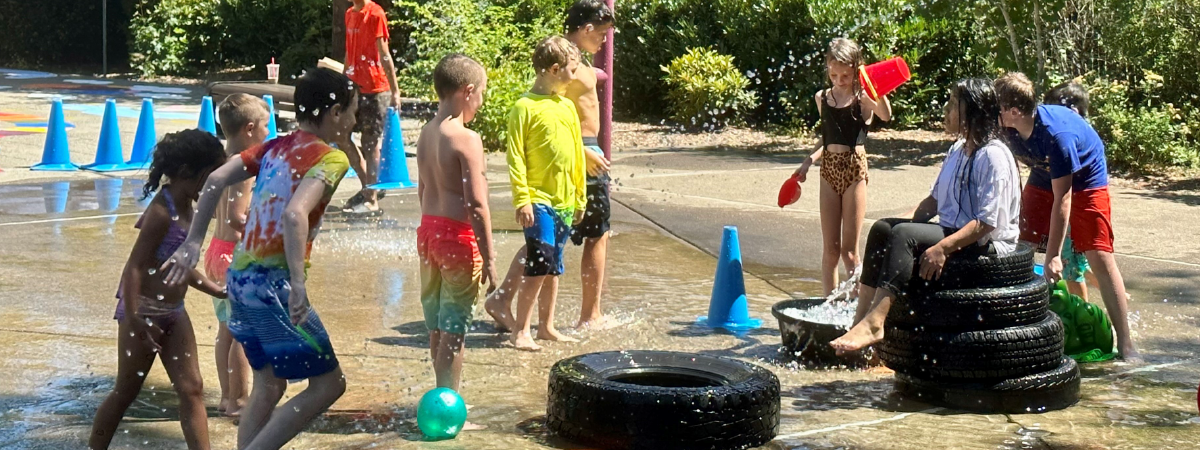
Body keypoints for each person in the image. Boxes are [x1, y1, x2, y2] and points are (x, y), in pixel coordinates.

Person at [162, 67, 356, 450]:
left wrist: (193, 242)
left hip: (239, 280)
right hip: (273, 284)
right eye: (352, 111)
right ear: (333, 113)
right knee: (330, 383)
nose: (353, 120)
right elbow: (295, 214)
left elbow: (216, 179)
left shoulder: (274, 147)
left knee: (269, 382)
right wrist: (298, 285)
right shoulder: (332, 159)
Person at [831, 78, 1021, 353]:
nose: (946, 110)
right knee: (884, 228)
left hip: (988, 246)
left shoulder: (993, 155)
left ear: (972, 112)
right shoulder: (958, 149)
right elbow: (933, 202)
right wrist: (897, 224)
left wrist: (942, 248)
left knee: (904, 236)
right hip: (956, 229)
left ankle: (877, 322)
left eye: (954, 104)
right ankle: (860, 320)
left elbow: (986, 223)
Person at [90, 130, 229, 450]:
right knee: (126, 391)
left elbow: (178, 264)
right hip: (143, 312)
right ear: (185, 173)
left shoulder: (190, 207)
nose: (212, 187)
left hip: (173, 313)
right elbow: (134, 267)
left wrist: (216, 290)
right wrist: (136, 318)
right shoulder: (162, 212)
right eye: (209, 177)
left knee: (192, 388)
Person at [485, 0, 619, 331]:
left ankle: (505, 297)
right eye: (601, 34)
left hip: (580, 149)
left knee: (549, 237)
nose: (603, 41)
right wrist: (582, 151)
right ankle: (591, 315)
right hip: (579, 153)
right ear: (587, 29)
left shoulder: (570, 58)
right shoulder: (565, 63)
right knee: (595, 233)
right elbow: (545, 107)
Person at [995, 72, 1141, 361]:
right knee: (1017, 242)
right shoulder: (1006, 127)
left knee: (1097, 253)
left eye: (995, 106)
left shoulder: (1057, 138)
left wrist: (1052, 256)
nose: (989, 112)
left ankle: (1126, 343)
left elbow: (1063, 199)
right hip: (1042, 171)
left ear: (1013, 112)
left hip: (1086, 174)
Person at [490, 36, 586, 351]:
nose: (575, 76)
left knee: (554, 264)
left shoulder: (568, 108)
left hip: (566, 200)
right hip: (538, 199)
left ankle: (546, 326)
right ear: (555, 69)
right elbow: (515, 157)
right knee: (539, 261)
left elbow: (577, 154)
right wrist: (523, 199)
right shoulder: (524, 108)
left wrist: (580, 197)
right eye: (572, 70)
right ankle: (521, 330)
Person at [415, 53, 497, 396]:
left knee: (436, 325)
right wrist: (490, 259)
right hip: (459, 239)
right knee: (455, 330)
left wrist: (434, 233)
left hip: (428, 234)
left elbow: (422, 190)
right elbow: (477, 206)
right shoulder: (466, 138)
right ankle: (450, 404)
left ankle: (438, 395)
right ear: (467, 90)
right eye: (481, 95)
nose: (480, 103)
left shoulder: (425, 133)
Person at [793, 38, 892, 298]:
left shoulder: (863, 99)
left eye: (846, 75)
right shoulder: (822, 98)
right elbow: (827, 138)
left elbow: (885, 115)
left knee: (849, 251)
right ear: (827, 68)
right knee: (830, 250)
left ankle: (856, 307)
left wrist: (875, 87)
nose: (839, 80)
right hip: (828, 169)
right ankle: (831, 304)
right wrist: (807, 162)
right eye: (834, 74)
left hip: (854, 170)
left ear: (856, 70)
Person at [207, 93, 270, 417]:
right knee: (245, 333)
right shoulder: (245, 166)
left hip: (217, 252)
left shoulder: (220, 161)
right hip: (236, 255)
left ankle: (226, 397)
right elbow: (238, 217)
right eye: (265, 126)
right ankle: (240, 400)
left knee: (225, 331)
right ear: (249, 128)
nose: (268, 133)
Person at [342, 0, 400, 214]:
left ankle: (372, 199)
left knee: (370, 142)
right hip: (354, 86)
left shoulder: (376, 14)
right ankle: (368, 185)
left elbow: (384, 54)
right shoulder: (349, 13)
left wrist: (395, 91)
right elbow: (349, 53)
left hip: (376, 88)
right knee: (341, 134)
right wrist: (342, 83)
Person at [1042, 80, 1098, 301]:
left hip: (1075, 209)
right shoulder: (1083, 129)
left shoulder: (1066, 135)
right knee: (1078, 261)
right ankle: (1115, 291)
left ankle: (1083, 315)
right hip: (1082, 206)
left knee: (1071, 266)